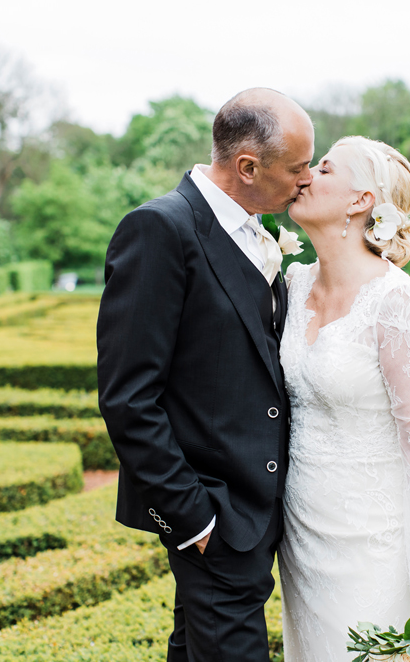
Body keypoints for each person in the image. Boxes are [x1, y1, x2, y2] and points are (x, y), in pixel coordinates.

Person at [96, 87, 314, 662]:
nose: (307, 179)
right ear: (248, 166)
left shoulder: (257, 233)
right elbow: (128, 396)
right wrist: (192, 518)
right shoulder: (159, 229)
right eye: (296, 167)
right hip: (212, 514)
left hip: (258, 514)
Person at [278, 136, 410, 661]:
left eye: (326, 168)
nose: (307, 173)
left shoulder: (396, 302)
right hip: (301, 535)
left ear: (360, 201)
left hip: (373, 542)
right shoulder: (291, 284)